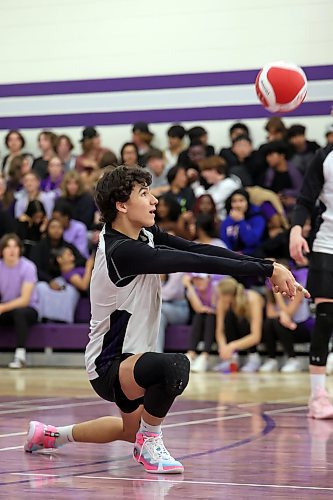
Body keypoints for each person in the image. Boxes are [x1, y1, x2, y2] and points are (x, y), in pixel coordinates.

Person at [24, 166, 306, 474]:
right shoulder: (122, 251)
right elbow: (196, 261)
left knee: (127, 430)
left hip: (131, 360)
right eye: (144, 194)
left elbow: (197, 248)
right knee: (174, 366)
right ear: (121, 205)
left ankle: (51, 435)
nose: (155, 200)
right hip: (110, 365)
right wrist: (266, 269)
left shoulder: (143, 235)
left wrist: (271, 267)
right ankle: (150, 441)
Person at [289, 142, 333, 418]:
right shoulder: (325, 156)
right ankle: (318, 394)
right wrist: (296, 230)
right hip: (327, 244)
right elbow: (305, 198)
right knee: (326, 316)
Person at [260, 265, 314, 373]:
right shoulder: (271, 293)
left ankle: (293, 359)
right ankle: (272, 359)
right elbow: (270, 315)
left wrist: (278, 296)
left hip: (302, 327)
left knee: (279, 321)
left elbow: (289, 313)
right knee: (269, 323)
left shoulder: (297, 290)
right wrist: (281, 313)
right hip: (284, 327)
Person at [0, 233, 39, 368]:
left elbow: (24, 300)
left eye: (15, 247)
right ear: (2, 250)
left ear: (20, 249)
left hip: (29, 309)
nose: (12, 250)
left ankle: (20, 356)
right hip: (6, 308)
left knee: (19, 313)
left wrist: (3, 308)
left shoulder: (28, 267)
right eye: (8, 247)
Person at [214, 277, 264, 373]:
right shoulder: (222, 302)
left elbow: (256, 336)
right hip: (235, 336)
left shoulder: (252, 299)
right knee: (228, 317)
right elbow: (219, 330)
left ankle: (254, 357)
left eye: (219, 295)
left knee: (244, 320)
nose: (218, 297)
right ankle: (232, 359)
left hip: (258, 333)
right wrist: (223, 347)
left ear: (227, 295)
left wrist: (232, 346)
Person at [183, 273, 219, 373]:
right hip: (203, 318)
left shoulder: (215, 287)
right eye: (195, 279)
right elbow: (198, 309)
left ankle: (204, 356)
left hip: (218, 318)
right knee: (198, 316)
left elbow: (215, 308)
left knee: (210, 317)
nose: (198, 282)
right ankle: (191, 354)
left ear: (208, 279)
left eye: (201, 279)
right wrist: (189, 286)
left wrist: (207, 310)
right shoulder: (191, 290)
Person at [220, 189, 266, 256]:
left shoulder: (257, 218)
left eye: (241, 201)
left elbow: (251, 241)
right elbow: (224, 241)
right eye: (234, 201)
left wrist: (241, 221)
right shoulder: (228, 220)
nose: (238, 205)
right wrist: (231, 254)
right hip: (232, 257)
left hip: (253, 256)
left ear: (247, 202)